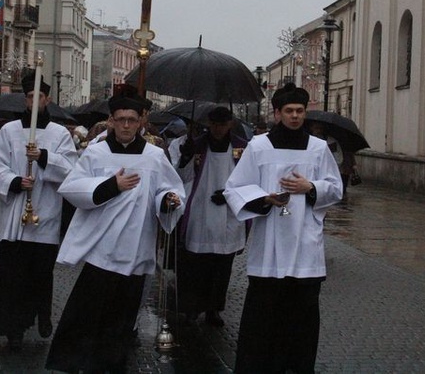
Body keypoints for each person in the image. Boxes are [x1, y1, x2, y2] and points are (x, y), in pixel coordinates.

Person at [45, 94, 185, 373]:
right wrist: (111, 186)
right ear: (111, 121)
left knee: (123, 316)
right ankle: (79, 361)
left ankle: (113, 361)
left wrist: (168, 199)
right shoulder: (96, 153)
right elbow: (72, 188)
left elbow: (170, 189)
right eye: (120, 119)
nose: (125, 125)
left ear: (140, 122)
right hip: (102, 247)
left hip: (135, 246)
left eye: (131, 120)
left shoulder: (154, 156)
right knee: (88, 311)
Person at [224, 83, 343, 374]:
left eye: (300, 111)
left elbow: (335, 188)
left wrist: (310, 187)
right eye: (288, 111)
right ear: (277, 113)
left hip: (305, 246)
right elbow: (235, 188)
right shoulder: (259, 146)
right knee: (263, 320)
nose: (294, 116)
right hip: (270, 246)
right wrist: (263, 199)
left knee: (301, 321)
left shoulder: (317, 149)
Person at [0, 74, 77, 351]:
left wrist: (45, 158)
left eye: (38, 96)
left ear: (47, 99)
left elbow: (71, 170)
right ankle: (14, 327)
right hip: (15, 215)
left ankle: (42, 315)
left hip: (45, 213)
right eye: (28, 96)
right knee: (13, 276)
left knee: (40, 273)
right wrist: (14, 181)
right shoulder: (9, 130)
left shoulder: (60, 133)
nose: (33, 101)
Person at [171, 106, 247, 326]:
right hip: (200, 211)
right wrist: (185, 158)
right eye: (214, 124)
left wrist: (231, 195)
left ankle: (214, 308)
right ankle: (192, 307)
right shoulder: (197, 145)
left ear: (230, 124)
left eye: (222, 125)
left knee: (221, 268)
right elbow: (181, 178)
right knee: (195, 266)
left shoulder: (241, 147)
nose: (218, 129)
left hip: (227, 214)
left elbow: (250, 177)